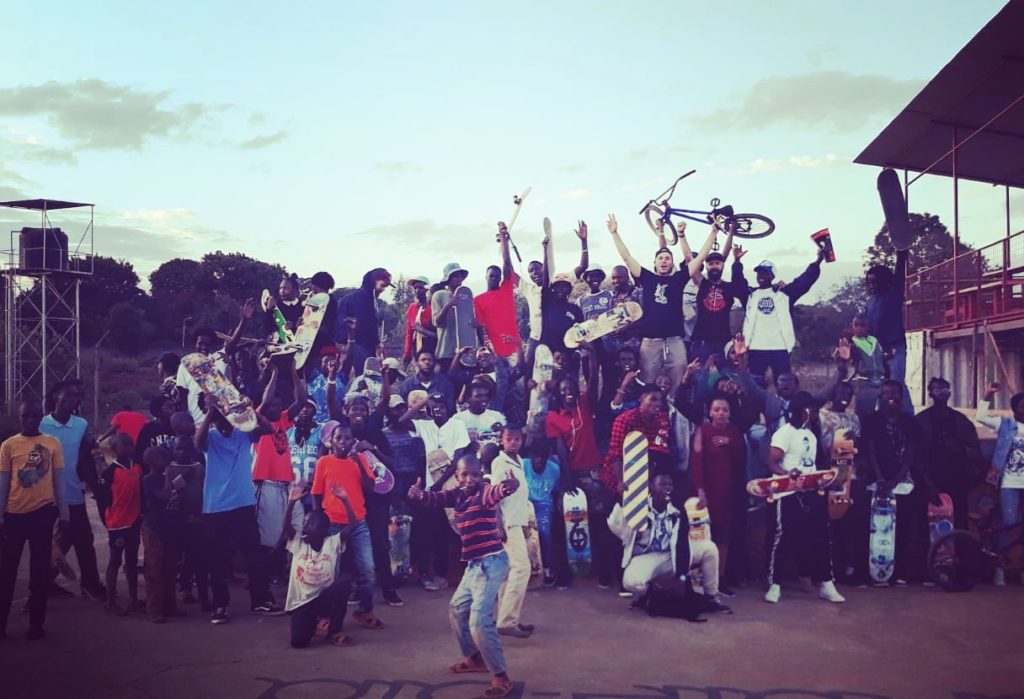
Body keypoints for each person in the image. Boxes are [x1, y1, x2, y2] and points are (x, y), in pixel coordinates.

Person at [407, 455, 520, 699]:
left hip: (492, 563)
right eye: (464, 475)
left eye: (475, 475)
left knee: (479, 621)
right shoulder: (456, 495)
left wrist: (508, 487)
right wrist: (418, 494)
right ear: (457, 477)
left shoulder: (485, 493)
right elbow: (434, 498)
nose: (470, 479)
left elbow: (497, 492)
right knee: (457, 610)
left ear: (482, 476)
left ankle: (501, 674)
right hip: (473, 566)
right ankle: (474, 658)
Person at [607, 214, 716, 392]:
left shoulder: (679, 279)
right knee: (648, 381)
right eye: (661, 258)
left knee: (678, 381)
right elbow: (627, 257)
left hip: (675, 340)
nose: (664, 260)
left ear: (672, 263)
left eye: (667, 258)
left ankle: (673, 413)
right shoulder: (647, 278)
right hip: (650, 341)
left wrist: (713, 232)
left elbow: (700, 257)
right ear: (655, 263)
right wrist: (614, 233)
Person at [196, 404, 279, 623]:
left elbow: (269, 429)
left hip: (243, 503)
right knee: (217, 558)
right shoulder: (210, 437)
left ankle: (260, 600)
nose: (225, 422)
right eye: (220, 419)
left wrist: (250, 410)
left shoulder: (243, 435)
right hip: (215, 506)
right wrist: (209, 415)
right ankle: (220, 605)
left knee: (254, 554)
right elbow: (197, 442)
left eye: (227, 417)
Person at [764, 391, 846, 604]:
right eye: (812, 409)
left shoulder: (810, 435)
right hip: (789, 492)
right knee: (784, 537)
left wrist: (821, 479)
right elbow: (771, 462)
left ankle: (827, 584)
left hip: (811, 491)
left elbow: (810, 464)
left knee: (821, 536)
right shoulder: (784, 433)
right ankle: (775, 585)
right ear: (802, 410)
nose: (815, 413)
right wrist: (786, 474)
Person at [608, 473, 731, 612]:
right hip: (648, 556)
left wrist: (682, 576)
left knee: (710, 549)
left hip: (672, 554)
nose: (667, 488)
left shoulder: (677, 510)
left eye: (670, 485)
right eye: (662, 484)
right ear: (651, 487)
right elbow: (615, 525)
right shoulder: (638, 509)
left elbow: (682, 543)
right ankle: (651, 595)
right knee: (631, 583)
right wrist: (621, 498)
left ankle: (711, 596)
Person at [0, 399, 69, 640]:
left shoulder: (52, 444)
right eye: (25, 416)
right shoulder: (9, 446)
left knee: (39, 572)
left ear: (41, 417)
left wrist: (64, 514)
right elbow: (3, 484)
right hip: (14, 516)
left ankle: (36, 625)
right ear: (19, 417)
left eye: (35, 416)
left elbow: (59, 481)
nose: (30, 420)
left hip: (43, 514)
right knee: (6, 572)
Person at [311, 421, 382, 630]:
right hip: (332, 525)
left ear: (353, 441)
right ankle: (325, 616)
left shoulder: (360, 459)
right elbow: (316, 494)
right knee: (330, 573)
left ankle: (364, 609)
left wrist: (358, 463)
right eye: (339, 438)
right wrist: (318, 520)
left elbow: (370, 489)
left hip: (358, 523)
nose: (343, 442)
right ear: (331, 441)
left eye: (347, 438)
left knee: (368, 570)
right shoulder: (323, 462)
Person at [41, 379, 105, 600]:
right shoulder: (41, 425)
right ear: (55, 396)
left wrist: (96, 486)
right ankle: (41, 585)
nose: (73, 400)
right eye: (68, 395)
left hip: (72, 493)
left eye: (77, 396)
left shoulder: (81, 425)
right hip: (46, 497)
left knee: (83, 540)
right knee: (53, 542)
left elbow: (87, 459)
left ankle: (91, 585)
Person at [402, 391, 471, 590]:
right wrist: (423, 400)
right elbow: (401, 421)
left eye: (441, 406)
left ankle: (444, 574)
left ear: (448, 408)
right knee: (426, 533)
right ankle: (425, 574)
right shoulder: (425, 425)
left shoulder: (457, 424)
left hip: (450, 487)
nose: (438, 410)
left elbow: (458, 457)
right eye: (434, 407)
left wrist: (439, 484)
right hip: (428, 490)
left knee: (447, 533)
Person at [861, 380, 927, 586]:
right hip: (877, 481)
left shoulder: (910, 422)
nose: (890, 396)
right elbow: (870, 450)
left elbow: (911, 452)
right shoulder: (871, 420)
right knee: (874, 529)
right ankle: (872, 573)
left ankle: (898, 572)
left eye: (894, 393)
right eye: (886, 393)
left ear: (901, 397)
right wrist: (880, 478)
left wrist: (897, 479)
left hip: (902, 482)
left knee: (903, 528)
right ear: (880, 398)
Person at [284, 480, 356, 649]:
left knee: (343, 583)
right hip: (301, 603)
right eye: (305, 522)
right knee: (299, 643)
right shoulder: (298, 543)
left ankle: (334, 630)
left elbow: (352, 525)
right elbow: (286, 527)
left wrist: (345, 499)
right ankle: (313, 622)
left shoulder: (332, 542)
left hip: (324, 598)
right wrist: (291, 502)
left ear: (323, 529)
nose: (304, 525)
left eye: (309, 523)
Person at [690, 394, 746, 596]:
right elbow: (696, 464)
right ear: (710, 412)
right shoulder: (702, 431)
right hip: (706, 494)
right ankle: (697, 583)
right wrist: (700, 492)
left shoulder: (734, 432)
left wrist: (729, 442)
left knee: (723, 539)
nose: (721, 413)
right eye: (717, 409)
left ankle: (719, 581)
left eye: (725, 410)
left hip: (727, 495)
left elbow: (741, 456)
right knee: (700, 538)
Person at [742, 250, 824, 384]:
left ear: (772, 275)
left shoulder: (784, 294)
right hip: (756, 348)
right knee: (755, 385)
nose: (761, 275)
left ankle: (783, 405)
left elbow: (804, 281)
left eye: (765, 272)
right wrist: (737, 262)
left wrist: (818, 261)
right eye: (759, 273)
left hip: (780, 348)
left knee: (784, 384)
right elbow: (738, 284)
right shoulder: (751, 295)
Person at [973, 382, 1024, 586]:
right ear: (1015, 408)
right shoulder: (1005, 425)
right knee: (1008, 526)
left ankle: (1020, 569)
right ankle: (1001, 569)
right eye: (1022, 405)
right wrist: (987, 395)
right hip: (1009, 483)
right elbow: (980, 418)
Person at [917, 377, 981, 532]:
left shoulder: (960, 420)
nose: (941, 393)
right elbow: (914, 453)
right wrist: (925, 481)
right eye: (937, 389)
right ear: (930, 394)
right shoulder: (920, 420)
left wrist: (959, 450)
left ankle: (959, 552)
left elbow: (974, 448)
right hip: (928, 478)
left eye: (945, 389)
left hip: (956, 478)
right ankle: (926, 554)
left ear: (950, 393)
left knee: (959, 518)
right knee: (925, 519)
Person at [491, 426, 534, 638]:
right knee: (522, 569)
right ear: (502, 441)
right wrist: (498, 525)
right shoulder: (500, 463)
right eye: (509, 439)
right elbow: (494, 497)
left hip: (517, 521)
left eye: (517, 439)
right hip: (507, 524)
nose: (514, 442)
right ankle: (508, 620)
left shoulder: (519, 462)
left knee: (508, 572)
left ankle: (504, 619)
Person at [95, 433, 144, 615]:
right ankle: (110, 602)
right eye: (125, 445)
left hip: (134, 523)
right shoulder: (109, 473)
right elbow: (102, 501)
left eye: (131, 444)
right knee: (115, 560)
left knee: (131, 561)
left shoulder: (138, 468)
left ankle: (133, 599)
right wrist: (107, 522)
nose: (130, 448)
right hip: (117, 524)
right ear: (115, 450)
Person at [686, 226, 749, 365]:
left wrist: (731, 231)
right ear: (706, 266)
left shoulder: (728, 287)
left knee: (722, 380)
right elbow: (689, 259)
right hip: (701, 341)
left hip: (723, 341)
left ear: (722, 265)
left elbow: (724, 257)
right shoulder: (702, 283)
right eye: (711, 264)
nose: (714, 266)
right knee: (700, 378)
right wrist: (681, 235)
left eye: (717, 263)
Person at [141, 446, 185, 623]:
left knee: (170, 569)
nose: (166, 461)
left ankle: (170, 606)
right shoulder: (149, 480)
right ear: (152, 461)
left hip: (171, 528)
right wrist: (169, 477)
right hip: (155, 528)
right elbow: (164, 496)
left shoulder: (169, 477)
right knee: (154, 570)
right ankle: (154, 609)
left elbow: (181, 491)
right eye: (162, 458)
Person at [170, 435, 208, 609]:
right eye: (178, 448)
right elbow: (169, 489)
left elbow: (204, 489)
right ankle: (185, 589)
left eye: (186, 448)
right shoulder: (170, 468)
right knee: (181, 560)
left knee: (200, 559)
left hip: (198, 520)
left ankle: (203, 594)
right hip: (178, 520)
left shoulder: (199, 467)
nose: (182, 452)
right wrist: (183, 477)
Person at [475, 224, 522, 363]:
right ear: (486, 277)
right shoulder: (477, 300)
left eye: (497, 276)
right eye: (491, 276)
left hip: (514, 350)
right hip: (495, 353)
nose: (495, 278)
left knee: (519, 384)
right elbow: (479, 328)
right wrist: (486, 350)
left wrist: (504, 240)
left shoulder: (506, 289)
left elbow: (507, 264)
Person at [337, 268, 392, 374]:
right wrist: (376, 342)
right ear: (373, 282)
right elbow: (365, 325)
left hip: (359, 343)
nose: (383, 290)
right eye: (382, 286)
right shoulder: (361, 298)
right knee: (364, 375)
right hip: (359, 344)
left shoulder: (366, 297)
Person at [517, 226, 554, 369]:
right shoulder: (528, 288)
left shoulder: (552, 286)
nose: (534, 273)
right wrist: (504, 242)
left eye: (537, 268)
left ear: (543, 267)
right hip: (535, 338)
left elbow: (546, 280)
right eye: (530, 271)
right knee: (528, 371)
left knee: (550, 371)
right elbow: (509, 272)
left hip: (551, 337)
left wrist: (545, 249)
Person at [523, 441, 559, 586]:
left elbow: (556, 492)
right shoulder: (523, 465)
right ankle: (526, 569)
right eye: (536, 457)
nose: (539, 460)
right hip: (525, 503)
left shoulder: (554, 469)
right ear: (531, 456)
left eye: (543, 457)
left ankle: (547, 567)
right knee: (524, 533)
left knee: (544, 532)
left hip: (544, 504)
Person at [432, 262, 476, 371]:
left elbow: (468, 321)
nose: (459, 279)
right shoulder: (439, 295)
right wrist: (447, 306)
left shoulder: (466, 296)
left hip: (464, 351)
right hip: (446, 351)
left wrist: (473, 323)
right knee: (446, 384)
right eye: (455, 276)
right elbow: (436, 322)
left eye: (461, 276)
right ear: (448, 278)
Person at [452, 381, 507, 453]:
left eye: (486, 395)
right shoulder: (458, 419)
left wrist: (502, 430)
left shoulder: (497, 417)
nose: (483, 399)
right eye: (478, 396)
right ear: (468, 398)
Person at [849, 314, 887, 417]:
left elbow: (880, 356)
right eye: (856, 325)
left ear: (868, 327)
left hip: (880, 381)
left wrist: (888, 356)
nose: (859, 328)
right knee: (864, 413)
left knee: (883, 412)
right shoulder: (852, 343)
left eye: (863, 325)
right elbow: (848, 359)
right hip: (864, 381)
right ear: (852, 327)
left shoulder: (874, 341)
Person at [540, 273, 584, 361]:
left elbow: (581, 332)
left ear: (570, 290)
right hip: (548, 354)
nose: (560, 289)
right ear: (552, 289)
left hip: (569, 355)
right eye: (557, 286)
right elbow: (545, 282)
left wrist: (577, 351)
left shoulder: (575, 309)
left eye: (564, 286)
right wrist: (546, 258)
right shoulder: (547, 304)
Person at [398, 350, 456, 416]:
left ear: (434, 363)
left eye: (430, 360)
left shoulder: (445, 383)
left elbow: (451, 408)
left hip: (440, 423)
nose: (427, 362)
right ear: (417, 363)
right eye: (423, 360)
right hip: (415, 424)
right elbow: (402, 410)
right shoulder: (407, 385)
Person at [402, 276, 436, 364]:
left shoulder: (433, 308)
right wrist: (407, 353)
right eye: (415, 288)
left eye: (420, 288)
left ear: (426, 290)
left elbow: (440, 333)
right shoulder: (412, 307)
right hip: (416, 347)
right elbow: (409, 332)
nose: (417, 290)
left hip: (432, 347)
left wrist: (422, 330)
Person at [308, 348, 347, 424]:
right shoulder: (313, 375)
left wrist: (351, 338)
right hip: (315, 422)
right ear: (320, 363)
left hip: (336, 421)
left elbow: (350, 357)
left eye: (332, 361)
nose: (328, 364)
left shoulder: (342, 376)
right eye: (325, 361)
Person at [134, 395, 176, 464]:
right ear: (158, 411)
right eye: (169, 407)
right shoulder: (147, 430)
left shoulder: (176, 427)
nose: (173, 409)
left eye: (173, 406)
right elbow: (140, 453)